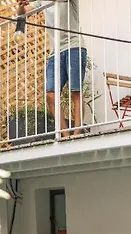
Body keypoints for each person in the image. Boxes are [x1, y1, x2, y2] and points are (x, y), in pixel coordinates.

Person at [18, 0, 87, 137]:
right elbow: (23, 13)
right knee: (50, 95)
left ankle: (77, 134)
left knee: (76, 91)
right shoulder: (41, 2)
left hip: (74, 46)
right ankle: (66, 136)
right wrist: (20, 5)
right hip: (55, 52)